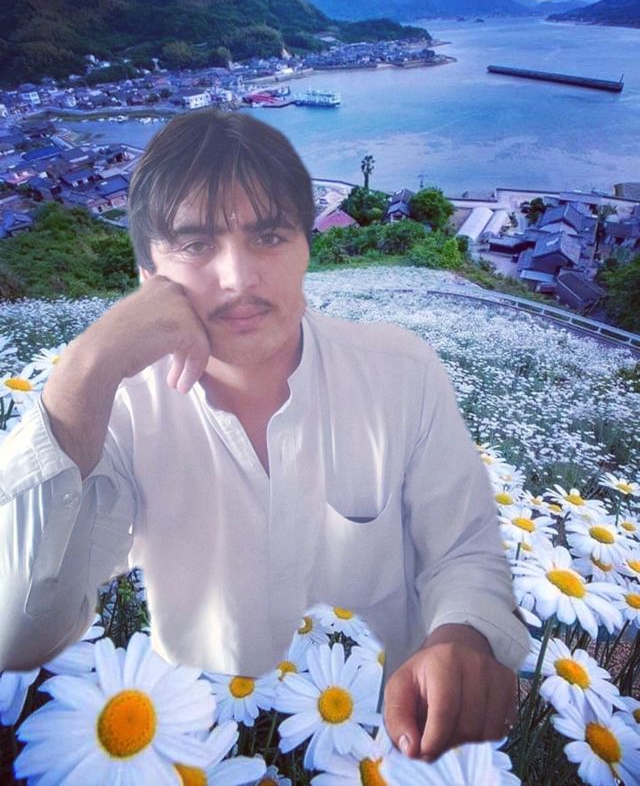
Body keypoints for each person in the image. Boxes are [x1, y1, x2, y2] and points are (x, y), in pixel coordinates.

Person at [0, 109, 529, 762]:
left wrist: (462, 634)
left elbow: (465, 550)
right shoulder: (123, 411)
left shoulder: (401, 373)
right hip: (197, 744)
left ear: (305, 250)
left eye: (269, 236)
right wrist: (85, 368)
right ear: (146, 277)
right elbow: (17, 632)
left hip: (383, 748)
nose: (238, 277)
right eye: (196, 244)